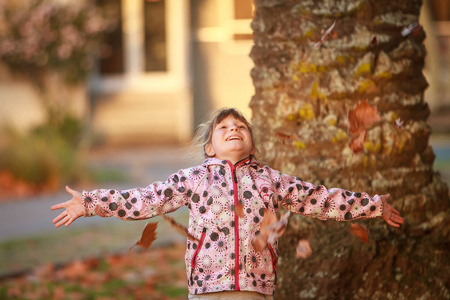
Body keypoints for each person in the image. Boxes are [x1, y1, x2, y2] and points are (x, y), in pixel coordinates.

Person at [51, 108, 404, 300]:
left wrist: (373, 205)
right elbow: (146, 200)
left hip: (254, 287)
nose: (234, 129)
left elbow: (319, 199)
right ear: (210, 147)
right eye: (224, 127)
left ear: (251, 144)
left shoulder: (271, 180)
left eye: (241, 127)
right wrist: (91, 202)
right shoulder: (193, 178)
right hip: (207, 288)